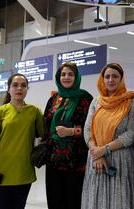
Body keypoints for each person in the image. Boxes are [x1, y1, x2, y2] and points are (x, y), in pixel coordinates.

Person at [0, 73, 44, 209]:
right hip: (0, 172)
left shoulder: (34, 111)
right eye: (15, 85)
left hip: (23, 172)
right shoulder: (0, 112)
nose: (19, 88)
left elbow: (46, 134)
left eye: (23, 85)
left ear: (27, 89)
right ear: (9, 89)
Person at [81, 63, 134, 209]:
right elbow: (88, 130)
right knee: (96, 199)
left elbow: (131, 134)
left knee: (119, 200)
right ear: (102, 79)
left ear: (121, 79)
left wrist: (104, 150)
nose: (110, 80)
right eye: (107, 76)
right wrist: (97, 153)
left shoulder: (131, 101)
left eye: (115, 76)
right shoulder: (96, 101)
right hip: (97, 160)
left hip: (121, 160)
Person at [43, 62, 93, 209]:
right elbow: (46, 126)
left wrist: (71, 131)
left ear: (76, 77)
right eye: (63, 74)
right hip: (53, 161)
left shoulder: (86, 99)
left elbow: (91, 128)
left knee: (74, 201)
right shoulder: (53, 100)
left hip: (76, 162)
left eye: (71, 74)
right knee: (54, 201)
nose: (66, 77)